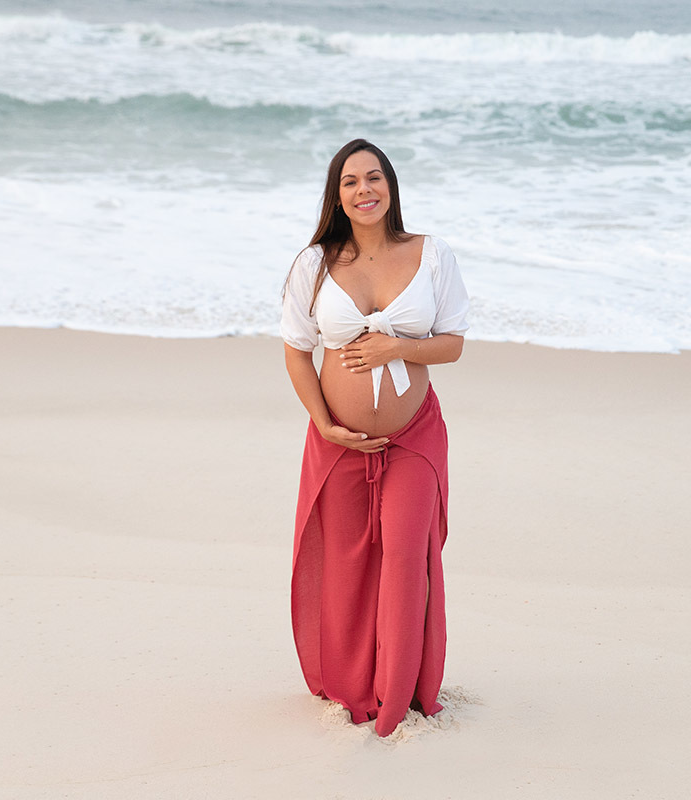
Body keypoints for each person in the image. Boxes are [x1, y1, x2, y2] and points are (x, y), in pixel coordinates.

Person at [280, 139, 469, 737]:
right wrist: (324, 423)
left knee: (407, 554)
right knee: (347, 560)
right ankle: (352, 685)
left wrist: (397, 348)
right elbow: (296, 351)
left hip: (413, 435)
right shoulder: (314, 264)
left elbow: (452, 344)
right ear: (336, 196)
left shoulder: (431, 254)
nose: (364, 189)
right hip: (338, 440)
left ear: (391, 185)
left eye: (374, 177)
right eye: (350, 181)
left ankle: (400, 694)